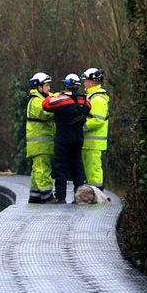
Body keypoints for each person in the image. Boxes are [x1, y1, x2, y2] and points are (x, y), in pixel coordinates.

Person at [42, 74, 90, 203]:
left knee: (61, 166)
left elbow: (45, 104)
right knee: (77, 167)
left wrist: (55, 95)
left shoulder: (61, 99)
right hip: (78, 136)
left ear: (67, 85)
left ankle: (61, 197)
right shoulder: (85, 100)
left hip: (63, 136)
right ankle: (79, 196)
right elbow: (89, 109)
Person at [25, 72, 55, 203]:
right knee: (43, 169)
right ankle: (46, 196)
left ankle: (35, 195)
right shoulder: (36, 101)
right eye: (47, 85)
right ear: (39, 87)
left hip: (40, 144)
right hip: (39, 144)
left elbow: (52, 98)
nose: (49, 89)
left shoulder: (40, 99)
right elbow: (48, 114)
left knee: (36, 169)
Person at [81, 67, 110, 189]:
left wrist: (81, 126)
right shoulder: (92, 97)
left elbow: (98, 120)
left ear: (92, 82)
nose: (84, 83)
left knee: (94, 171)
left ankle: (97, 197)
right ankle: (93, 195)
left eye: (86, 80)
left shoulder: (97, 99)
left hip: (93, 143)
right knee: (90, 171)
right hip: (90, 143)